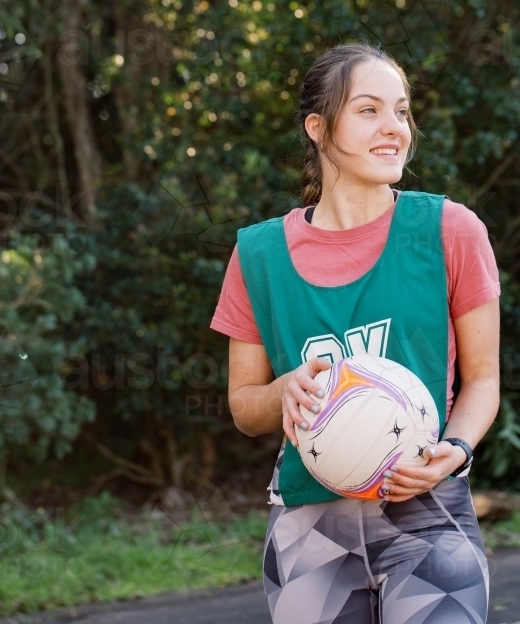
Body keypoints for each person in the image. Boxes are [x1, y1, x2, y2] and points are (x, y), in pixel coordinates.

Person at [210, 42, 500, 624]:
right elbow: (245, 408)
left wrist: (457, 451)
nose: (394, 127)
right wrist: (284, 389)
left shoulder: (450, 229)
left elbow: (484, 380)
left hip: (426, 510)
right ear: (318, 128)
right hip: (310, 528)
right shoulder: (258, 255)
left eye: (402, 110)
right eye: (369, 110)